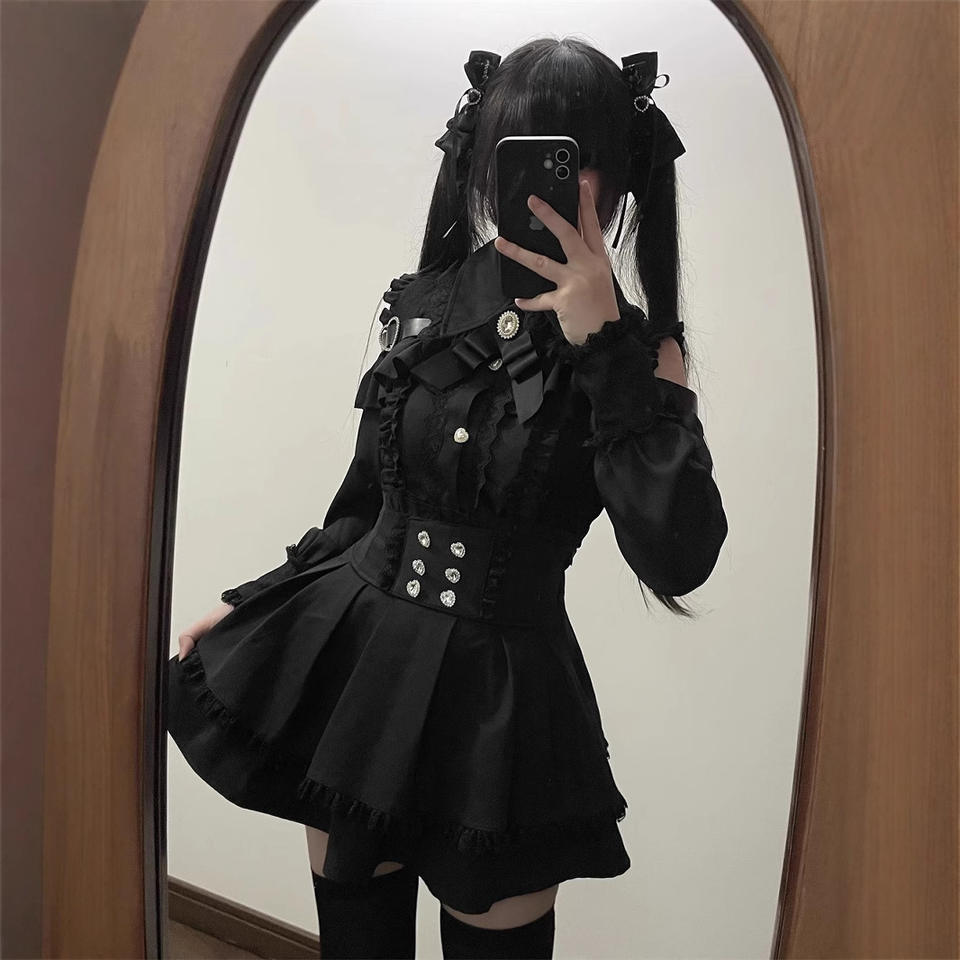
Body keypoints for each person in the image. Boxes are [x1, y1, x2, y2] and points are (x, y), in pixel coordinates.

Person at [166, 37, 729, 960]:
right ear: (484, 163)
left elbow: (679, 555)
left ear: (622, 179)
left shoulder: (642, 357)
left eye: (578, 159)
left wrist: (602, 350)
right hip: (359, 676)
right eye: (523, 152)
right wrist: (252, 602)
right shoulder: (422, 304)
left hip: (504, 715)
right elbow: (362, 507)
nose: (554, 188)